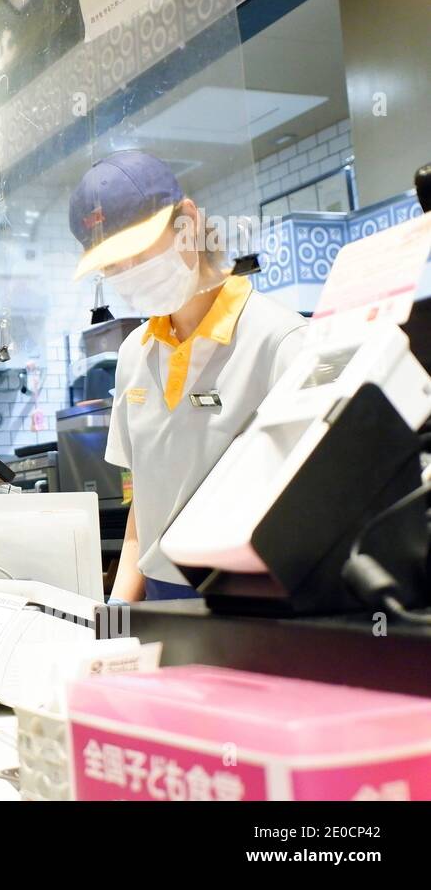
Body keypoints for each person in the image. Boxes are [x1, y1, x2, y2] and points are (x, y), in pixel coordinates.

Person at [69, 151, 307, 601]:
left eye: (137, 252)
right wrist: (117, 613)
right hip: (163, 596)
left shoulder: (281, 341)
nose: (128, 274)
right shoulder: (133, 355)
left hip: (256, 599)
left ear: (189, 222)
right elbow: (146, 506)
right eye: (112, 266)